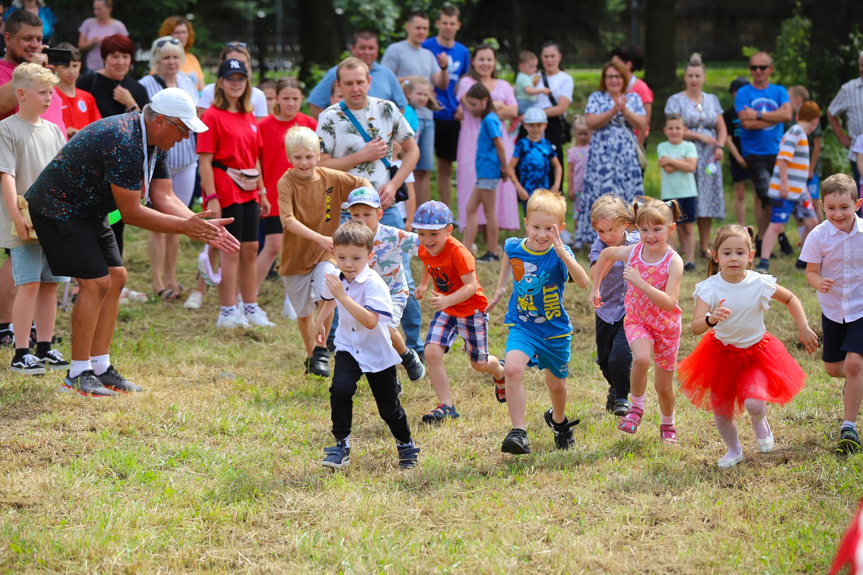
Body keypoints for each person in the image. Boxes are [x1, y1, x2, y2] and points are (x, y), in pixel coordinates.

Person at [25, 88, 239, 396]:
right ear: (162, 122)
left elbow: (164, 196)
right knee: (96, 282)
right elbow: (131, 213)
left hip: (89, 210)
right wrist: (187, 227)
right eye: (183, 129)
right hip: (59, 207)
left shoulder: (154, 140)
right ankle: (77, 374)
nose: (185, 138)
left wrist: (205, 226)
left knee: (116, 277)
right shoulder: (124, 141)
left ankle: (100, 366)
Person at [678, 224, 817, 468]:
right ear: (716, 256)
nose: (734, 258)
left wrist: (803, 327)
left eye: (740, 253)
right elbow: (696, 326)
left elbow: (790, 298)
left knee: (754, 403)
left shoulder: (759, 282)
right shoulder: (709, 288)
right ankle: (734, 450)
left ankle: (759, 421)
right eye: (727, 253)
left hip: (756, 354)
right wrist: (711, 318)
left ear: (750, 256)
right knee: (721, 413)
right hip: (721, 355)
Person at [317, 57, 423, 362]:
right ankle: (344, 346)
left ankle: (411, 345)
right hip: (347, 208)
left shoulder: (386, 109)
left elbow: (412, 149)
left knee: (400, 274)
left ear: (369, 81)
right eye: (347, 83)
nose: (354, 88)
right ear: (338, 85)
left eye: (359, 81)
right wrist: (360, 155)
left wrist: (393, 184)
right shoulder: (329, 117)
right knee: (345, 274)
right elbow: (321, 165)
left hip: (383, 206)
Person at [486, 190, 589, 454]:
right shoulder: (513, 245)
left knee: (556, 386)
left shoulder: (560, 252)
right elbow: (508, 259)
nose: (542, 234)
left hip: (554, 332)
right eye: (536, 227)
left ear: (561, 228)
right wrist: (500, 289)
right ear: (526, 224)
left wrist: (563, 253)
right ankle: (518, 432)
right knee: (512, 369)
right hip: (523, 325)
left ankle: (559, 422)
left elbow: (583, 282)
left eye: (549, 228)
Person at [313, 221, 419, 470]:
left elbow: (371, 321)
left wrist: (343, 297)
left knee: (389, 408)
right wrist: (320, 322)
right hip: (348, 346)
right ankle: (341, 445)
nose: (348, 264)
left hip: (375, 350)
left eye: (355, 258)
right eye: (341, 257)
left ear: (369, 256)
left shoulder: (375, 284)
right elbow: (329, 300)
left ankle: (405, 443)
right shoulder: (338, 277)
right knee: (340, 390)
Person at [278, 126, 371, 377]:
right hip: (295, 256)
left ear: (318, 155)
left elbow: (362, 184)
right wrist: (319, 237)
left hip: (327, 252)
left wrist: (362, 215)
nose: (304, 162)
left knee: (327, 292)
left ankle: (321, 349)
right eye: (298, 157)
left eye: (309, 156)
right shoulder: (286, 183)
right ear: (290, 158)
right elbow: (287, 221)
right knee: (303, 312)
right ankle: (312, 356)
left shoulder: (331, 176)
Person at [591, 197, 684, 444]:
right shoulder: (633, 252)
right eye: (644, 230)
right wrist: (595, 287)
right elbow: (606, 254)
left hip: (666, 327)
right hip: (637, 321)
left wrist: (641, 283)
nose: (650, 236)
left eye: (657, 229)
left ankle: (668, 423)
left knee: (664, 387)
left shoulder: (674, 261)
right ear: (637, 229)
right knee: (641, 358)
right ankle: (636, 408)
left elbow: (669, 302)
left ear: (670, 229)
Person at [0, 9, 67, 347]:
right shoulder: (7, 74)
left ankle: (41, 340)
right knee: (17, 257)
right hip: (14, 175)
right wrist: (31, 74)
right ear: (7, 37)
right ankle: (6, 327)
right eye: (26, 38)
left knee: (46, 274)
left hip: (48, 177)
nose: (34, 45)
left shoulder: (42, 75)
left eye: (39, 39)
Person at [413, 200, 506, 423]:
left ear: (448, 230)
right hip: (447, 308)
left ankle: (500, 372)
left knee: (479, 364)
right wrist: (424, 284)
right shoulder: (425, 248)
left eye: (434, 234)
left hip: (471, 310)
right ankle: (446, 406)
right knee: (432, 351)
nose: (427, 240)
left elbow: (471, 286)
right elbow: (428, 264)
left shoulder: (459, 253)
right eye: (422, 233)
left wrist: (446, 300)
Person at [197, 59, 272, 329]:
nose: (236, 83)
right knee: (231, 250)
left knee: (251, 247)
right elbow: (205, 161)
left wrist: (262, 191)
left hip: (249, 188)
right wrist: (212, 197)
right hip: (226, 187)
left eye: (241, 78)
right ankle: (227, 310)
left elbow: (256, 159)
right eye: (230, 78)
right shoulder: (212, 116)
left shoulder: (249, 115)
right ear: (220, 83)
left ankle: (249, 305)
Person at [799, 173, 863, 454]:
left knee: (853, 365)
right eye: (832, 208)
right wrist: (818, 282)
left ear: (857, 204)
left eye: (845, 208)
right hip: (834, 309)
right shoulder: (818, 235)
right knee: (833, 368)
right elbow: (811, 272)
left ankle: (849, 428)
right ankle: (855, 385)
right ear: (822, 205)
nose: (838, 214)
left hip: (861, 308)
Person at [248, 77, 316, 319]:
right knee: (274, 245)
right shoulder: (264, 126)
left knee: (300, 249)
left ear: (301, 99)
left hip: (305, 196)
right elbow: (255, 160)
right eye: (285, 98)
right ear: (275, 99)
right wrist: (261, 191)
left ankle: (294, 302)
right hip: (274, 194)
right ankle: (247, 298)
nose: (290, 103)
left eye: (295, 98)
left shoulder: (309, 123)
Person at [139, 36, 199, 302]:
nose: (172, 62)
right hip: (158, 163)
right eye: (166, 57)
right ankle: (157, 281)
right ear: (157, 60)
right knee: (158, 225)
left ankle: (173, 277)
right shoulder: (146, 84)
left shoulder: (188, 81)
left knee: (181, 221)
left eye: (176, 56)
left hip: (186, 161)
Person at [346, 187, 425, 383]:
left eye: (367, 214)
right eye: (356, 215)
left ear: (380, 214)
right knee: (371, 338)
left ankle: (407, 356)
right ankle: (390, 379)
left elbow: (426, 247)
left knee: (384, 328)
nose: (361, 220)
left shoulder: (394, 236)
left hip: (394, 293)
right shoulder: (347, 239)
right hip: (364, 297)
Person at [574, 60, 646, 247]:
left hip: (626, 158)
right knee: (601, 193)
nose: (613, 80)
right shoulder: (597, 98)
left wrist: (624, 110)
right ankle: (597, 238)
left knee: (627, 194)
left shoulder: (634, 98)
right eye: (609, 77)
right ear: (604, 79)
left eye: (617, 76)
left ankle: (629, 237)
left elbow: (641, 124)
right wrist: (614, 110)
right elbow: (591, 122)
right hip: (602, 157)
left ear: (623, 78)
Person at [381, 10, 448, 207]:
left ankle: (424, 214)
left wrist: (444, 68)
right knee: (404, 163)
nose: (421, 32)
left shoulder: (428, 54)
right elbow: (386, 78)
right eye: (418, 27)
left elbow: (440, 84)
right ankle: (404, 211)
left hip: (427, 117)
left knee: (424, 169)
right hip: (403, 116)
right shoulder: (396, 50)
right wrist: (412, 82)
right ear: (408, 27)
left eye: (425, 28)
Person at [664, 53, 727, 257]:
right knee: (686, 197)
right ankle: (683, 244)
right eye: (690, 75)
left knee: (706, 199)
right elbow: (675, 127)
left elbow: (721, 126)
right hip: (684, 152)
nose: (694, 79)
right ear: (685, 77)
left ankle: (704, 247)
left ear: (704, 77)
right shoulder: (676, 100)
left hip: (709, 155)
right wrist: (700, 136)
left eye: (697, 76)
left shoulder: (712, 99)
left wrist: (720, 146)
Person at [455, 44, 519, 235]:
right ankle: (474, 228)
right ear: (473, 61)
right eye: (481, 59)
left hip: (499, 139)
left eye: (489, 59)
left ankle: (493, 227)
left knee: (496, 182)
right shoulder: (466, 82)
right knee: (471, 179)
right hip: (472, 139)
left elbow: (514, 111)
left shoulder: (504, 85)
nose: (485, 63)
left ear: (494, 62)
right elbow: (475, 109)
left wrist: (494, 106)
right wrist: (499, 105)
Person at [755, 101, 821, 273]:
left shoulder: (801, 135)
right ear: (815, 121)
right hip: (783, 190)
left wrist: (803, 188)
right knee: (776, 225)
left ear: (798, 116)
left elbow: (798, 168)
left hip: (799, 191)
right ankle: (764, 261)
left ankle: (803, 259)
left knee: (812, 222)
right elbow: (783, 159)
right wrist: (784, 184)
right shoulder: (795, 132)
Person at [735, 51, 792, 248]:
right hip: (755, 152)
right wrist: (774, 117)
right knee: (764, 193)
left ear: (770, 69)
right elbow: (746, 123)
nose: (758, 71)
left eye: (762, 67)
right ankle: (779, 237)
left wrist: (758, 115)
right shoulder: (744, 92)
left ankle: (762, 238)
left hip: (779, 151)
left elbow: (787, 115)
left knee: (767, 196)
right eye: (753, 67)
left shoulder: (779, 90)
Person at [588, 194, 638, 415]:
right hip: (606, 310)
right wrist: (611, 253)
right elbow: (594, 274)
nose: (606, 236)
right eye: (601, 231)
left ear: (625, 224)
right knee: (604, 359)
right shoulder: (600, 247)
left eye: (611, 230)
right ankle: (615, 385)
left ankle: (622, 398)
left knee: (621, 354)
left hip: (632, 311)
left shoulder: (639, 242)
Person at [421, 5, 469, 206]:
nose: (448, 27)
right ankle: (420, 211)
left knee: (446, 168)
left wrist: (463, 106)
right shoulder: (425, 46)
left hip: (451, 115)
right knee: (421, 168)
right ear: (438, 24)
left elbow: (465, 83)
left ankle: (445, 214)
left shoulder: (463, 52)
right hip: (428, 113)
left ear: (458, 25)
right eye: (445, 23)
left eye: (452, 23)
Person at [461, 83, 512, 263]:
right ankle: (465, 250)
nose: (473, 108)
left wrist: (505, 168)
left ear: (484, 100)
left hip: (489, 172)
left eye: (475, 104)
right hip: (483, 172)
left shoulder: (490, 119)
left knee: (490, 213)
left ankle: (493, 252)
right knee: (470, 209)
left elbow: (499, 144)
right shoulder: (488, 118)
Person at [307, 30, 407, 120]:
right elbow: (315, 103)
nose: (367, 52)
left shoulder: (387, 74)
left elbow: (401, 106)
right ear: (353, 49)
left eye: (371, 48)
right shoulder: (337, 72)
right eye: (362, 48)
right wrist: (331, 128)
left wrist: (392, 132)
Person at [657, 113, 698, 270]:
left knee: (688, 227)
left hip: (688, 192)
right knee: (671, 228)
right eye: (671, 128)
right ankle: (671, 258)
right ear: (665, 130)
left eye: (678, 128)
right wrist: (683, 162)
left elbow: (691, 167)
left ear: (684, 129)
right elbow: (667, 169)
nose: (674, 131)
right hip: (670, 194)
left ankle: (690, 260)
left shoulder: (690, 146)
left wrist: (671, 160)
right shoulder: (662, 146)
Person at [76, 34, 148, 120]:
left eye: (125, 57)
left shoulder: (138, 88)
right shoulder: (88, 82)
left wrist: (131, 104)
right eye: (115, 57)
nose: (121, 62)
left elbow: (146, 125)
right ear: (104, 59)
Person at [507, 107, 561, 217]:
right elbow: (509, 168)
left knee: (545, 221)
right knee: (531, 222)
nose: (535, 129)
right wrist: (519, 189)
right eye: (531, 125)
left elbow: (558, 167)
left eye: (539, 125)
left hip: (544, 193)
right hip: (527, 193)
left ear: (545, 125)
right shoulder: (522, 144)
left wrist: (556, 185)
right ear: (525, 125)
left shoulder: (546, 144)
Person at [197, 43, 268, 121]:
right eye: (230, 79)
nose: (236, 66)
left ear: (248, 63)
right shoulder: (209, 93)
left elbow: (259, 131)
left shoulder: (257, 98)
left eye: (242, 63)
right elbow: (203, 126)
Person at [788, 85, 824, 222]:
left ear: (797, 99)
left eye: (789, 99)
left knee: (814, 201)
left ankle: (823, 235)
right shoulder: (792, 119)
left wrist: (811, 168)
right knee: (801, 203)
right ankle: (805, 236)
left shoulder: (813, 115)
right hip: (797, 168)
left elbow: (817, 144)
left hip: (810, 168)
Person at [827, 51, 863, 182]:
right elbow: (832, 112)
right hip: (859, 154)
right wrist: (842, 137)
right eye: (862, 65)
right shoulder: (849, 89)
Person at [54, 43, 101, 140]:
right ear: (55, 68)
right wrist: (63, 132)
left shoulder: (87, 97)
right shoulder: (50, 96)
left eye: (74, 66)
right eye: (65, 67)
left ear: (80, 66)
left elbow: (98, 129)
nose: (71, 71)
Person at [610, 45, 652, 146]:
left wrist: (639, 146)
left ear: (628, 65)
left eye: (616, 64)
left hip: (634, 141)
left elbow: (645, 120)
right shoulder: (611, 87)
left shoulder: (641, 89)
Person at [723, 77, 750, 225]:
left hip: (754, 155)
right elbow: (727, 138)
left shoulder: (753, 112)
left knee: (759, 192)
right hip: (737, 156)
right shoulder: (728, 114)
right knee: (740, 192)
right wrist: (739, 158)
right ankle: (742, 225)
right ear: (734, 93)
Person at [77, 0, 127, 73]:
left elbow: (126, 48)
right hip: (92, 68)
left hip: (112, 68)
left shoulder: (118, 26)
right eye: (95, 9)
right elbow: (80, 46)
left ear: (109, 9)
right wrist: (92, 42)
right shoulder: (88, 23)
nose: (96, 12)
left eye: (99, 9)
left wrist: (109, 43)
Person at [159, 15, 205, 93]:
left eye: (184, 32)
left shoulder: (192, 58)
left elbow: (202, 88)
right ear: (168, 34)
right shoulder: (162, 57)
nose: (181, 36)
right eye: (177, 33)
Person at [566, 115, 590, 247]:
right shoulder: (573, 151)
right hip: (578, 188)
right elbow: (570, 171)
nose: (583, 136)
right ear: (575, 134)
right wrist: (570, 188)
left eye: (586, 133)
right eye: (580, 134)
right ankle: (578, 238)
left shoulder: (593, 148)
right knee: (577, 213)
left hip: (590, 189)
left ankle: (591, 237)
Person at [514, 51, 547, 116]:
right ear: (522, 67)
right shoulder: (524, 77)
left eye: (535, 66)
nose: (535, 69)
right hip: (526, 103)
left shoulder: (522, 76)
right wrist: (542, 90)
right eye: (532, 67)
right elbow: (528, 91)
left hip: (524, 102)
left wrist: (534, 84)